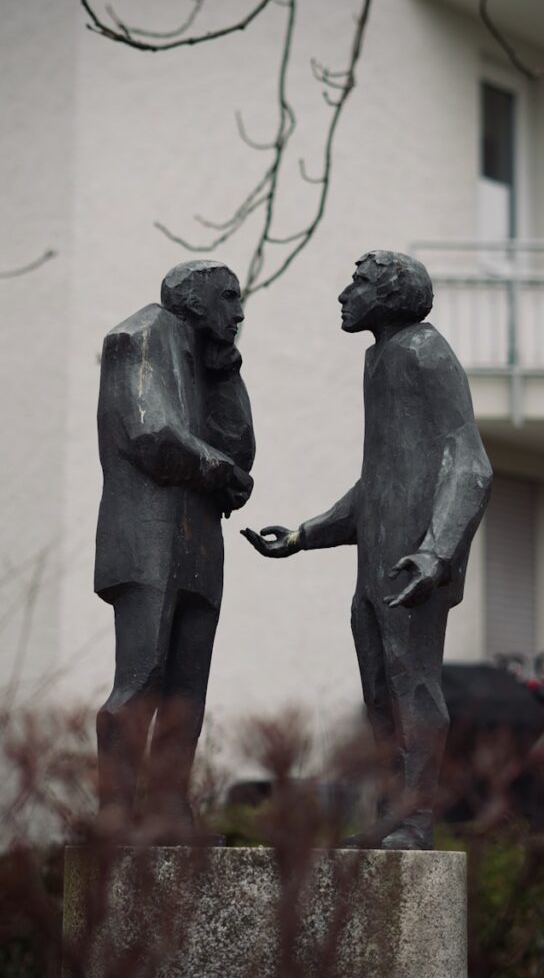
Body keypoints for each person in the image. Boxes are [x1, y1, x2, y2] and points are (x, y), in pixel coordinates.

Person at [242, 250, 492, 849]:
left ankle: (417, 820)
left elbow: (471, 462)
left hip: (413, 566)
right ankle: (393, 812)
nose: (344, 293)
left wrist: (436, 553)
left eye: (358, 281)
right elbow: (377, 484)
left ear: (392, 293)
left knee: (414, 687)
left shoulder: (424, 350)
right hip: (377, 566)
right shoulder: (379, 360)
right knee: (380, 691)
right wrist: (304, 535)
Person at [95, 259, 255, 839]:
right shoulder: (135, 338)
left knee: (189, 688)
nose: (239, 313)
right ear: (195, 300)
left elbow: (240, 448)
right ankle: (113, 809)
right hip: (145, 539)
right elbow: (150, 433)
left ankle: (169, 809)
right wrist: (218, 470)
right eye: (230, 299)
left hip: (198, 544)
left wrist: (227, 372)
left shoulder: (204, 363)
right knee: (142, 677)